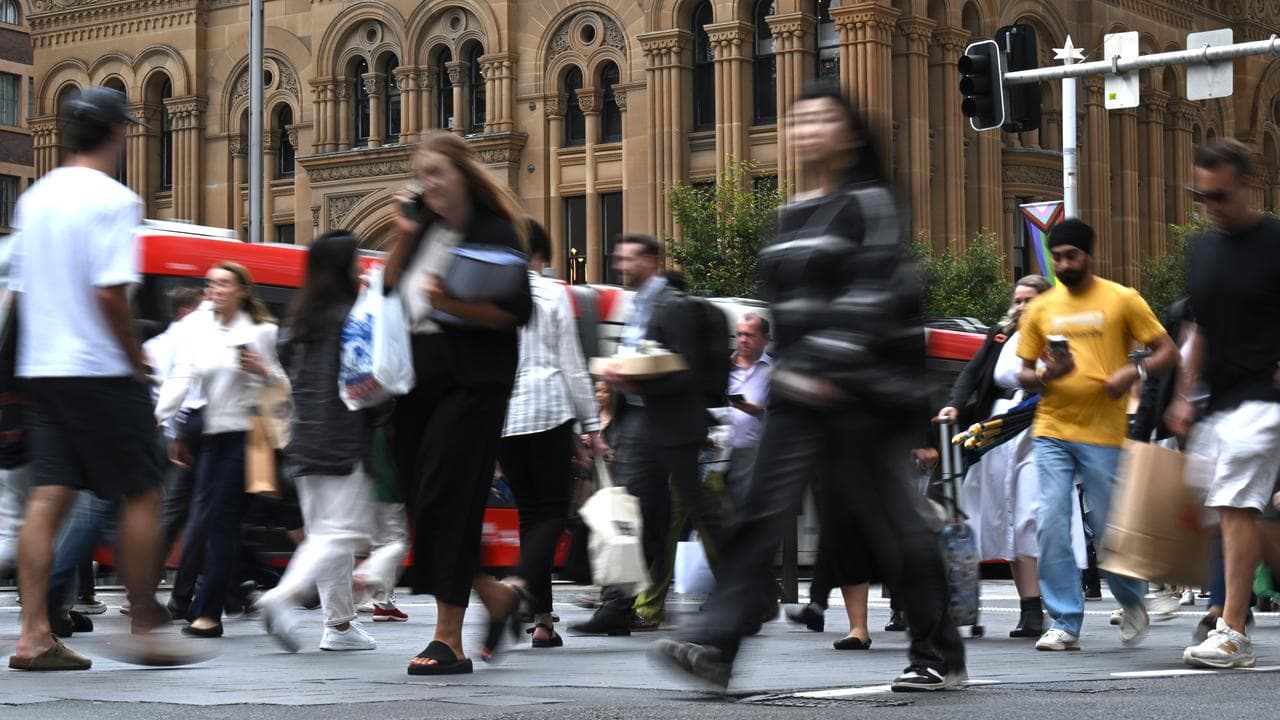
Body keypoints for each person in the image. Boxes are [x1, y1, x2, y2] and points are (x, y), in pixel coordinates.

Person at [651, 83, 966, 692]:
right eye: (799, 120)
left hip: (862, 394)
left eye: (822, 119)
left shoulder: (871, 203)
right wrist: (794, 372)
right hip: (799, 391)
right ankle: (717, 645)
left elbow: (873, 296)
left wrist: (829, 367)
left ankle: (936, 650)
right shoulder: (787, 214)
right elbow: (783, 311)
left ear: (850, 133)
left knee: (892, 522)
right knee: (757, 513)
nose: (808, 129)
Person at [8, 87, 170, 670]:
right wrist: (134, 357)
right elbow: (108, 291)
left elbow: (17, 291)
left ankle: (33, 637)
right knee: (143, 490)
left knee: (49, 497)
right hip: (98, 367)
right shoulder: (114, 200)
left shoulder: (37, 200)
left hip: (43, 368)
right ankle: (146, 624)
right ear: (117, 133)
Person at [382, 131, 532, 675]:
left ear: (463, 175)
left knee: (451, 498)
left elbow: (514, 312)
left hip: (473, 380)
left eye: (438, 173)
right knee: (422, 502)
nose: (429, 184)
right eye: (422, 175)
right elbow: (389, 290)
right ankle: (494, 594)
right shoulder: (424, 230)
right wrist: (402, 234)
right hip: (418, 380)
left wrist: (452, 303)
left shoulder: (492, 232)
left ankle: (450, 639)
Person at [1015, 218, 1178, 652]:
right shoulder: (1042, 309)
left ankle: (1131, 599)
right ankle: (1065, 621)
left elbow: (1167, 350)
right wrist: (1047, 373)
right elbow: (1024, 371)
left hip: (1103, 434)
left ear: (1089, 255)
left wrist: (1132, 370)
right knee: (1050, 520)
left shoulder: (1122, 299)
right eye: (1057, 257)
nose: (1064, 264)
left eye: (1072, 256)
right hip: (1051, 427)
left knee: (1108, 530)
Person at [571, 234, 723, 636]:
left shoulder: (672, 306)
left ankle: (747, 586)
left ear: (652, 260)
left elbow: (684, 370)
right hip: (639, 421)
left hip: (667, 420)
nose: (621, 266)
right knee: (636, 516)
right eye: (618, 258)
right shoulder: (637, 304)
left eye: (630, 259)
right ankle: (617, 605)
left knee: (688, 512)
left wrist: (637, 380)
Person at [1166, 138, 1280, 669]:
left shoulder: (1277, 241)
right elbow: (1198, 327)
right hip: (1221, 401)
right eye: (1201, 197)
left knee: (1236, 497)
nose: (1210, 207)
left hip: (1268, 396)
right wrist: (1186, 395)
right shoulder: (1203, 250)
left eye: (1220, 196)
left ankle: (1232, 629)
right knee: (1234, 511)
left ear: (1247, 186)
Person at [255, 230, 391, 652]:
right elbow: (369, 382)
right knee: (339, 534)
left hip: (305, 440)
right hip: (344, 437)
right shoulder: (350, 317)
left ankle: (339, 626)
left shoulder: (296, 323)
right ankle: (281, 598)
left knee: (325, 534)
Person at [483, 221, 602, 649]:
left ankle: (542, 621)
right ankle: (515, 588)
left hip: (506, 417)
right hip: (550, 409)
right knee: (552, 514)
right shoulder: (551, 293)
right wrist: (591, 426)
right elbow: (571, 365)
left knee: (529, 517)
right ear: (539, 255)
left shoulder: (491, 296)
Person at [156, 261, 286, 639]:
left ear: (243, 290)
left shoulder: (262, 333)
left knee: (218, 521)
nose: (214, 289)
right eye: (210, 283)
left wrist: (263, 371)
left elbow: (283, 387)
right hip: (213, 435)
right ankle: (268, 583)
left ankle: (209, 612)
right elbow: (182, 379)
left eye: (224, 283)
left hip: (250, 437)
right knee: (213, 523)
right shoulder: (202, 332)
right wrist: (163, 418)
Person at [943, 275, 1055, 639]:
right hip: (997, 434)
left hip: (1038, 432)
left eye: (1029, 300)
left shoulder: (1059, 339)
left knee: (1029, 517)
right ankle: (1029, 610)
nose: (1021, 306)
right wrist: (953, 407)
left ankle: (1041, 605)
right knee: (1003, 517)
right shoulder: (999, 336)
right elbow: (972, 375)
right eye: (1018, 300)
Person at [725, 314, 772, 513]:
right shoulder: (723, 367)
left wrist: (759, 411)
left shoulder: (773, 371)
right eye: (739, 334)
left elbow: (782, 417)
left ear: (765, 339)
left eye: (750, 335)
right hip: (716, 454)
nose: (743, 340)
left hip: (751, 456)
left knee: (743, 509)